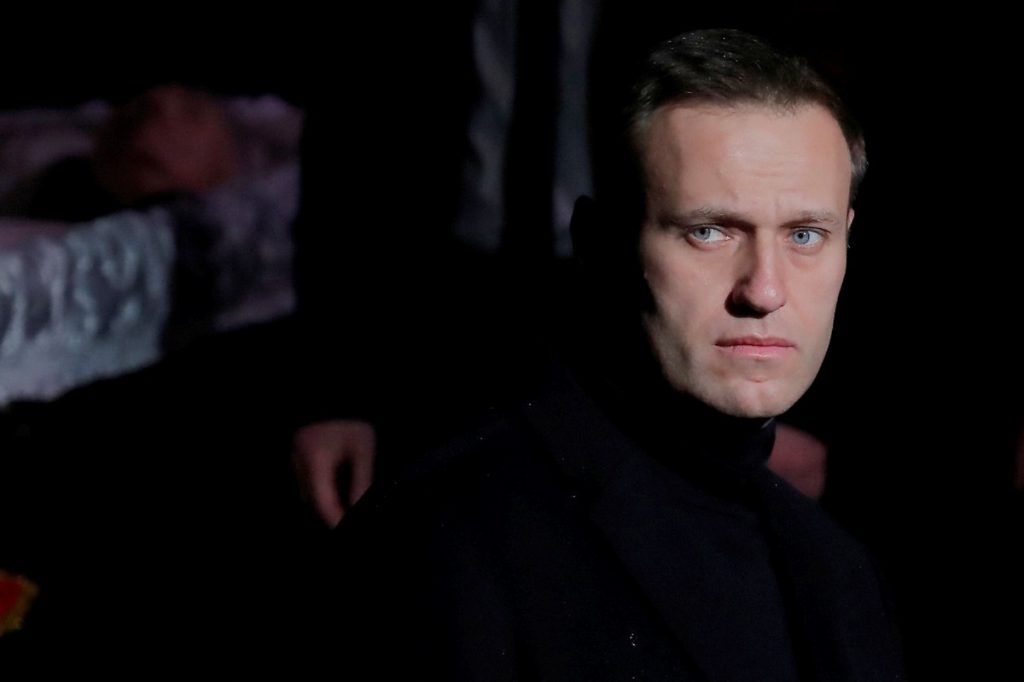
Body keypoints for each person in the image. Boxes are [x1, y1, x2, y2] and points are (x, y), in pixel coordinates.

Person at [331, 27, 905, 680]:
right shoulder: (442, 538)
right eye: (709, 231)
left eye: (805, 235)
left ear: (847, 240)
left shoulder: (843, 572)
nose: (765, 289)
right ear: (600, 245)